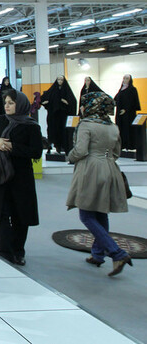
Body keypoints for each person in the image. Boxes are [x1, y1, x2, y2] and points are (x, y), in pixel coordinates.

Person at [66, 92, 133, 276]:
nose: (81, 108)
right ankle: (97, 254)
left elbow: (80, 150)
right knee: (101, 212)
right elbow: (116, 152)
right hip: (110, 168)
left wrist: (70, 157)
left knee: (86, 215)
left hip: (91, 169)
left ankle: (117, 253)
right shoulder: (112, 126)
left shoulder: (86, 124)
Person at [0, 90, 42, 266]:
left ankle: (18, 251)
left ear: (21, 104)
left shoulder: (31, 126)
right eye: (6, 103)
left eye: (11, 103)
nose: (7, 106)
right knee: (1, 214)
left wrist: (11, 147)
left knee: (20, 215)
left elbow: (36, 152)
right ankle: (5, 251)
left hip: (21, 177)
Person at [41, 75, 77, 153]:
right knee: (52, 131)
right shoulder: (53, 90)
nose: (60, 81)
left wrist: (67, 102)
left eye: (61, 80)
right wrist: (45, 103)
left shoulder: (66, 90)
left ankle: (63, 147)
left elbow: (73, 101)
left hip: (63, 117)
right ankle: (53, 146)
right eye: (58, 79)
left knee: (63, 132)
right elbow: (44, 98)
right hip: (53, 116)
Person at [114, 74, 141, 151]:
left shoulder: (132, 89)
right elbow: (116, 99)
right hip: (120, 114)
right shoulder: (121, 89)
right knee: (120, 129)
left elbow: (133, 102)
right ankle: (122, 145)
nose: (125, 80)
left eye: (127, 78)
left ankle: (129, 145)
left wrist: (126, 109)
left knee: (128, 130)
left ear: (130, 80)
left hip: (129, 115)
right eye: (124, 78)